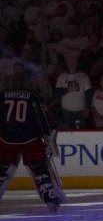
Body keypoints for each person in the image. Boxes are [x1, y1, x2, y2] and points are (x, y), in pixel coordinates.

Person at [0, 72, 66, 211]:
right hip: (30, 139)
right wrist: (48, 135)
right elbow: (44, 118)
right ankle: (50, 196)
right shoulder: (33, 96)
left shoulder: (1, 95)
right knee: (40, 169)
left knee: (2, 170)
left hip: (7, 139)